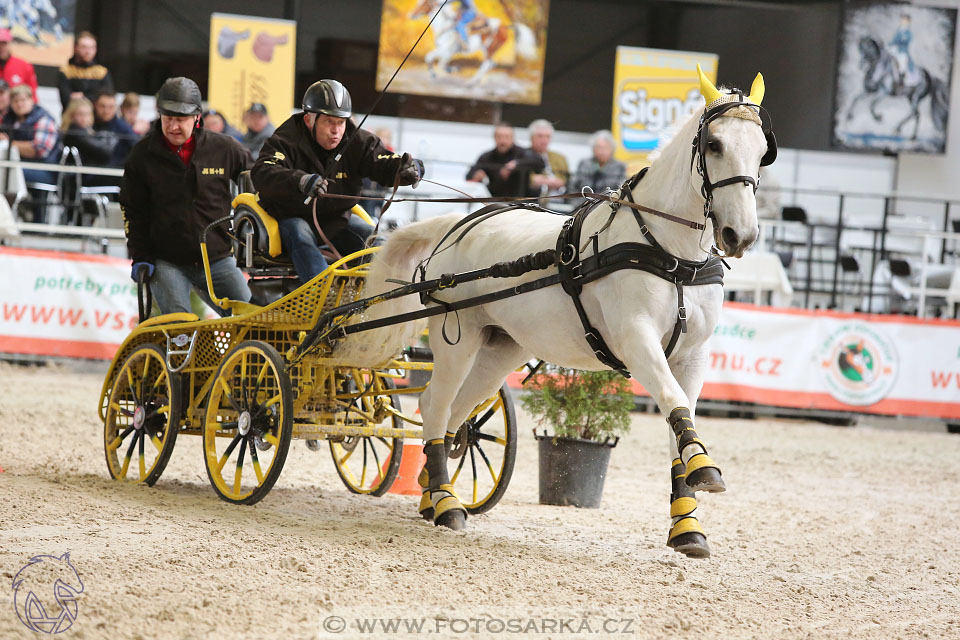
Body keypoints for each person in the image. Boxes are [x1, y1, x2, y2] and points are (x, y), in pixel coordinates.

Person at [251, 79, 424, 284]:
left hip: (337, 220)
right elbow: (263, 171)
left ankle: (383, 297)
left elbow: (383, 162)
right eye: (329, 122)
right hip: (292, 218)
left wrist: (409, 168)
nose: (336, 131)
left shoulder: (357, 140)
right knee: (301, 236)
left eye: (340, 122)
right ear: (309, 120)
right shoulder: (285, 139)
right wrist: (300, 180)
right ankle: (323, 293)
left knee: (376, 243)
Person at [120, 77, 253, 317]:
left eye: (180, 119)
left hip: (218, 258)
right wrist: (140, 256)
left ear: (197, 117)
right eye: (167, 118)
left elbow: (259, 184)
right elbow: (133, 210)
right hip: (167, 261)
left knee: (252, 319)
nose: (173, 127)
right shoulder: (141, 155)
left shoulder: (225, 149)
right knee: (179, 327)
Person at [0, 84, 61, 185]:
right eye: (16, 101)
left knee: (5, 171)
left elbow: (39, 150)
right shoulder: (9, 119)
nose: (19, 104)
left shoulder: (43, 119)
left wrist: (9, 143)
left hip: (44, 169)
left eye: (23, 100)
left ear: (32, 100)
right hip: (18, 164)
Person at [466, 122, 544, 198]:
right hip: (494, 201)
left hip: (520, 202)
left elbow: (540, 162)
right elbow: (469, 176)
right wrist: (476, 175)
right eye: (499, 137)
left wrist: (516, 164)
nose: (503, 141)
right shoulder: (487, 157)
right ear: (494, 137)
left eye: (506, 137)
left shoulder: (522, 153)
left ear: (512, 138)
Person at [57, 31, 113, 110]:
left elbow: (107, 99)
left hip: (96, 118)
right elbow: (66, 100)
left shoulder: (102, 72)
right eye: (84, 47)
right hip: (72, 117)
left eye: (91, 48)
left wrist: (82, 96)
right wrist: (92, 96)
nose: (88, 51)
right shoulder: (66, 71)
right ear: (76, 48)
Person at [61, 96, 114, 167]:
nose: (84, 118)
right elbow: (103, 154)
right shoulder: (74, 132)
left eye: (87, 114)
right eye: (80, 114)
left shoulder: (87, 130)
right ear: (72, 115)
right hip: (79, 174)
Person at [570, 130, 626, 195]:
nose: (602, 151)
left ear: (612, 149)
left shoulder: (619, 166)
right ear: (593, 149)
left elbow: (621, 190)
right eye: (599, 147)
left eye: (606, 148)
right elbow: (573, 186)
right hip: (584, 203)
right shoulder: (584, 163)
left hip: (608, 203)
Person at [92, 91, 138, 167]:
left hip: (115, 173)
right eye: (102, 106)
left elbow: (137, 151)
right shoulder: (87, 124)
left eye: (111, 107)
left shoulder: (123, 128)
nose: (106, 111)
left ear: (115, 107)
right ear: (95, 105)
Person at [526, 119, 568, 202]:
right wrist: (550, 181)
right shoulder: (523, 155)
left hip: (560, 201)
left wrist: (543, 180)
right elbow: (527, 180)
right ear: (531, 138)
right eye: (540, 136)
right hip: (532, 200)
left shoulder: (560, 158)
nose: (544, 140)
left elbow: (565, 180)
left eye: (547, 136)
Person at [0, 29, 37, 100]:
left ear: (10, 44)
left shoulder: (24, 65)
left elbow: (32, 95)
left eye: (4, 43)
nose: (1, 47)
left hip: (17, 108)